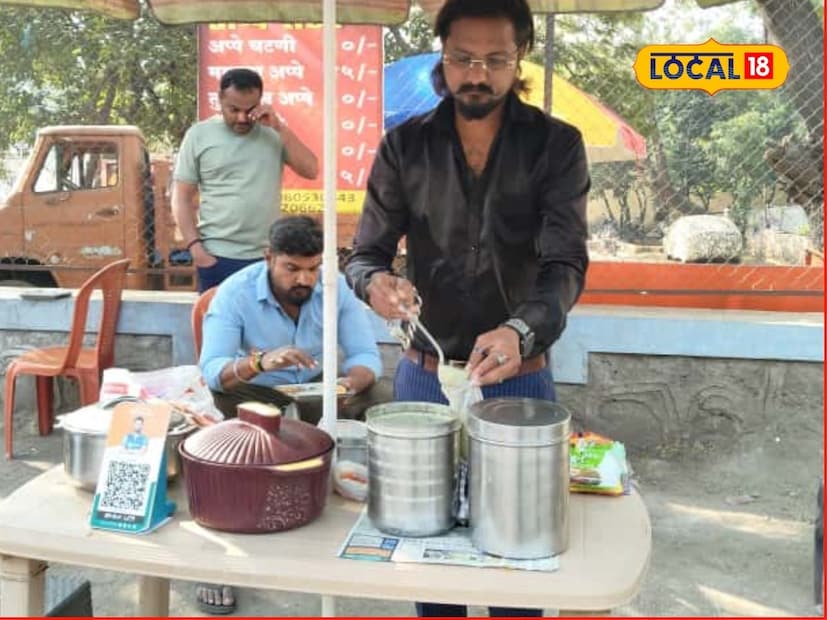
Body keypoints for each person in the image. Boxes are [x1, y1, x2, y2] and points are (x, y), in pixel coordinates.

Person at [345, 0, 589, 616]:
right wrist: (375, 284)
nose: (476, 74)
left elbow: (566, 265)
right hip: (425, 378)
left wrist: (520, 331)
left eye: (494, 59)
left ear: (521, 56)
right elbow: (364, 253)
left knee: (519, 558)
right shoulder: (404, 146)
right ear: (442, 55)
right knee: (429, 565)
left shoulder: (556, 146)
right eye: (461, 58)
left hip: (520, 375)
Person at [195, 216, 386, 615]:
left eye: (313, 268)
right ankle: (217, 564)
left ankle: (363, 519)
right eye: (292, 268)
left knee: (380, 397)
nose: (305, 279)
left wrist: (349, 383)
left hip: (318, 387)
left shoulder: (334, 288)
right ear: (269, 258)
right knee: (220, 421)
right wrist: (262, 361)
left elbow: (367, 357)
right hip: (254, 391)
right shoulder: (235, 293)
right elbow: (213, 369)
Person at [173, 68, 319, 293]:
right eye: (233, 110)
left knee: (266, 326)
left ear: (260, 102)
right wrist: (196, 250)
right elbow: (181, 197)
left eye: (249, 110)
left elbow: (311, 170)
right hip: (216, 256)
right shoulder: (199, 135)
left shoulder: (273, 133)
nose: (241, 118)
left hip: (266, 257)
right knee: (218, 326)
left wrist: (279, 127)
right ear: (220, 99)